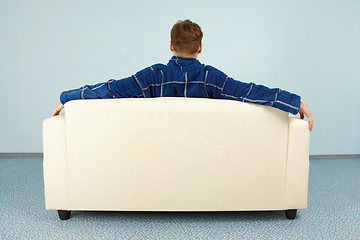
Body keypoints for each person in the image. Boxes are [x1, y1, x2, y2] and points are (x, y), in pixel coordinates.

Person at [51, 19, 314, 131]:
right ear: (200, 47)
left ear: (170, 45)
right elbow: (250, 91)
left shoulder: (152, 76)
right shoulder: (213, 78)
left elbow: (109, 89)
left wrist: (68, 97)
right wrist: (294, 101)